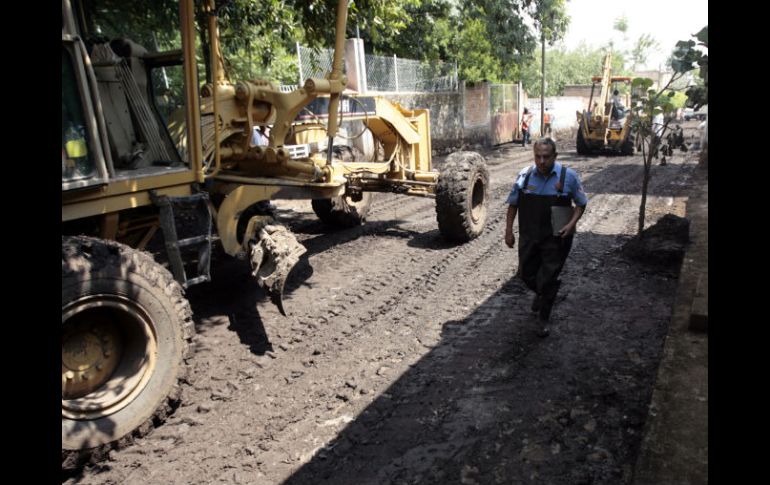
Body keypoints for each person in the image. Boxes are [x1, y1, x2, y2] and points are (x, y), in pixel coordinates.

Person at [504, 138, 587, 337]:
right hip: (529, 235)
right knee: (525, 273)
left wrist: (571, 224)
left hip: (557, 236)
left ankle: (543, 318)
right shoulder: (524, 177)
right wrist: (508, 231)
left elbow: (581, 203)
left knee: (549, 277)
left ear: (555, 156)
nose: (541, 161)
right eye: (537, 157)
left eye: (546, 157)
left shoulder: (569, 176)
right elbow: (513, 205)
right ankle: (541, 293)